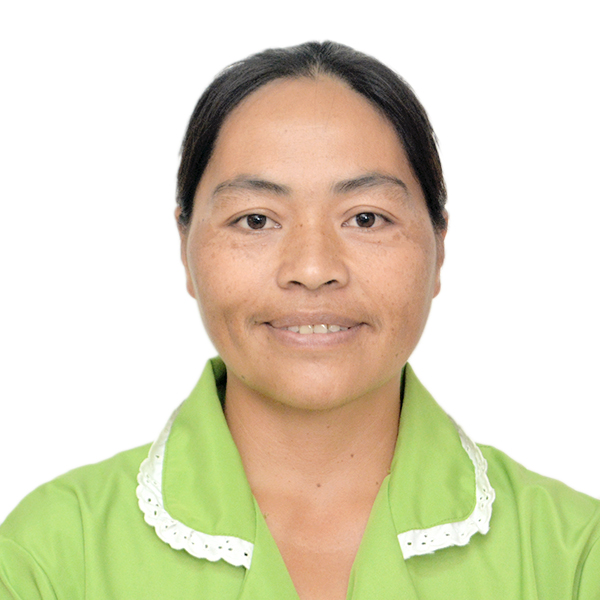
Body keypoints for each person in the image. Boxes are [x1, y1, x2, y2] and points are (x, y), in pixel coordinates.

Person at [1, 41, 598, 600]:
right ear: (185, 247)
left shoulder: (572, 555)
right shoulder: (53, 555)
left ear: (440, 248)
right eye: (256, 220)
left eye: (366, 218)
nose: (313, 270)